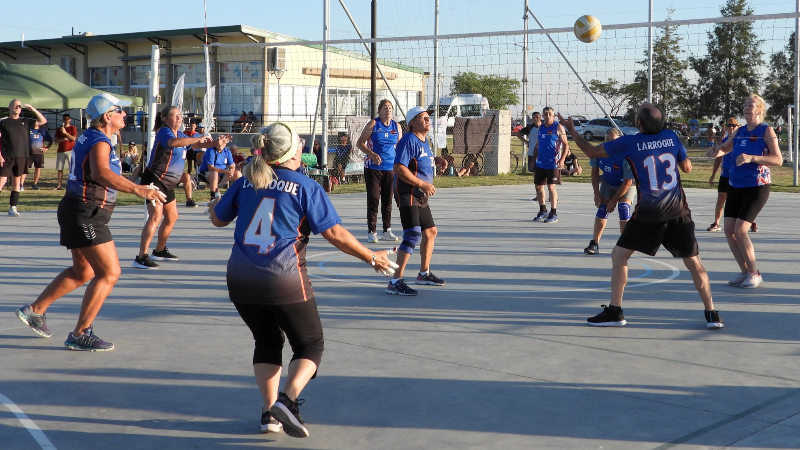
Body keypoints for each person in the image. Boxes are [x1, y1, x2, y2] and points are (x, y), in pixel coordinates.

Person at [209, 122, 397, 438]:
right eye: (300, 142)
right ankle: (287, 401)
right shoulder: (305, 187)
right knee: (310, 344)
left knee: (267, 340)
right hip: (282, 277)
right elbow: (334, 233)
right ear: (293, 151)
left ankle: (270, 414)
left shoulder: (245, 182)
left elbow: (217, 219)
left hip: (240, 278)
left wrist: (219, 199)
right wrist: (371, 257)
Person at [14, 93, 166, 351]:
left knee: (83, 271)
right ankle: (80, 333)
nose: (124, 115)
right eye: (120, 111)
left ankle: (35, 310)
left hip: (79, 210)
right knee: (110, 273)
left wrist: (140, 185)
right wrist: (140, 191)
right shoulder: (99, 141)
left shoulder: (97, 137)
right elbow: (101, 173)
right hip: (86, 213)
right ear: (107, 116)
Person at [559, 104, 723, 329]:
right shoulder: (672, 137)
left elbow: (591, 152)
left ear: (638, 123)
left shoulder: (631, 143)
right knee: (694, 263)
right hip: (678, 211)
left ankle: (615, 311)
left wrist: (572, 130)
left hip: (649, 213)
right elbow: (687, 168)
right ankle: (712, 314)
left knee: (619, 255)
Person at [705, 94, 783, 289]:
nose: (746, 107)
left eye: (751, 104)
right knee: (729, 231)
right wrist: (716, 151)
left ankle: (755, 273)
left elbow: (778, 160)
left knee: (741, 230)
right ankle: (745, 271)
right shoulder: (739, 131)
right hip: (735, 184)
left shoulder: (767, 130)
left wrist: (752, 157)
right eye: (745, 104)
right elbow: (725, 148)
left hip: (757, 186)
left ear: (759, 109)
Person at [132, 106, 216, 269]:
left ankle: (160, 250)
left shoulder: (182, 135)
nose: (179, 118)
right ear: (165, 118)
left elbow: (197, 144)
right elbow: (174, 143)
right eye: (175, 115)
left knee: (172, 216)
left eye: (180, 115)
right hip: (155, 180)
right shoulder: (165, 132)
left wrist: (217, 142)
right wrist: (196, 139)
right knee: (156, 217)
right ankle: (141, 257)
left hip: (167, 183)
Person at [387, 106, 445, 296]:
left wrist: (436, 159)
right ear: (412, 122)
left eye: (429, 117)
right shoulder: (408, 139)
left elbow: (419, 159)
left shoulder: (423, 140)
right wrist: (422, 183)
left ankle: (423, 274)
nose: (428, 120)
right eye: (423, 117)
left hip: (420, 193)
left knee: (430, 232)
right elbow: (399, 168)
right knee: (413, 235)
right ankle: (395, 281)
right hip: (408, 191)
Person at [356, 99, 402, 243]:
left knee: (388, 200)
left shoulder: (397, 126)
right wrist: (372, 155)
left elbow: (400, 147)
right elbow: (360, 143)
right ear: (379, 111)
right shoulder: (373, 124)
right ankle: (372, 231)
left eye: (390, 107)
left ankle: (386, 230)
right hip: (373, 168)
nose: (388, 110)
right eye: (385, 107)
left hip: (390, 168)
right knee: (374, 199)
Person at [583, 128, 634, 255]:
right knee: (602, 208)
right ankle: (594, 243)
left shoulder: (626, 155)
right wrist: (596, 193)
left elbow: (628, 182)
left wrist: (614, 200)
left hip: (626, 184)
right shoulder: (599, 151)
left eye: (614, 140)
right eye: (607, 140)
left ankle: (625, 244)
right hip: (608, 182)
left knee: (623, 208)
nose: (610, 143)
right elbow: (594, 173)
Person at [0, 100, 47, 216]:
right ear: (10, 107)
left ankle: (13, 207)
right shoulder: (3, 122)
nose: (17, 107)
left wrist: (33, 110)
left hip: (22, 155)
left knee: (17, 181)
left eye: (19, 106)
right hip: (7, 156)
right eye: (15, 105)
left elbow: (43, 121)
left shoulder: (25, 121)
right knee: (2, 180)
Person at [532, 107, 568, 223]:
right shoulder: (541, 128)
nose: (547, 116)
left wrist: (562, 159)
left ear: (553, 115)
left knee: (551, 187)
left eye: (550, 114)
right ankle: (543, 210)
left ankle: (554, 213)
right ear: (543, 116)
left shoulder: (558, 127)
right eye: (545, 114)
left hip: (553, 163)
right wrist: (533, 160)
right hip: (540, 163)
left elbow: (566, 145)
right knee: (538, 186)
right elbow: (537, 145)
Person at [198, 134, 241, 199]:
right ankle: (213, 197)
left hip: (223, 173)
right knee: (214, 173)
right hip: (208, 173)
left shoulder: (227, 151)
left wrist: (231, 170)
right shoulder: (210, 151)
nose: (220, 145)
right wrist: (225, 171)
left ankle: (237, 195)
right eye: (219, 142)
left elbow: (232, 165)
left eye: (223, 142)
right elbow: (210, 168)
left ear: (225, 144)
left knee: (238, 173)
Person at [22, 123, 53, 190]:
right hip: (29, 153)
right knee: (24, 168)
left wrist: (46, 148)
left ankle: (35, 184)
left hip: (39, 153)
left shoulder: (42, 131)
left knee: (38, 168)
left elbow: (50, 140)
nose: (36, 123)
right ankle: (21, 184)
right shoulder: (28, 130)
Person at [53, 114, 77, 190]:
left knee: (71, 168)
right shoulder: (59, 129)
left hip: (70, 150)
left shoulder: (72, 128)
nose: (66, 120)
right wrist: (64, 138)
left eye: (68, 119)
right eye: (65, 119)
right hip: (61, 151)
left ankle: (72, 184)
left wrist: (66, 133)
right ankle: (59, 185)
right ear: (63, 120)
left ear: (70, 120)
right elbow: (56, 140)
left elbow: (73, 138)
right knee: (60, 168)